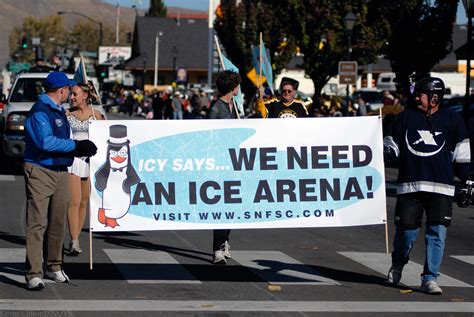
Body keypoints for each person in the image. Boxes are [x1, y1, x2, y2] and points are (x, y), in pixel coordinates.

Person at [383, 77, 471, 295]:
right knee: (406, 234)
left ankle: (430, 278)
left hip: (442, 188)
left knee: (437, 233)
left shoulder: (453, 119)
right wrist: (388, 150)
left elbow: (463, 153)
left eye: (421, 94)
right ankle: (398, 264)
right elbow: (391, 143)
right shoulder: (405, 117)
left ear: (434, 97)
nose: (416, 97)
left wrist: (468, 179)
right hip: (410, 187)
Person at [23, 71, 98, 290]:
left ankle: (53, 266)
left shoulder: (58, 110)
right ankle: (34, 273)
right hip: (40, 169)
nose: (70, 93)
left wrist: (79, 147)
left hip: (61, 169)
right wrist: (75, 147)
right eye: (68, 89)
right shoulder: (40, 111)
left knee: (57, 222)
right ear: (61, 90)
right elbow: (45, 141)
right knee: (37, 223)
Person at [66, 82, 105, 256]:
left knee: (83, 202)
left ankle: (77, 237)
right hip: (72, 160)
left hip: (90, 161)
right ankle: (74, 240)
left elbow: (106, 136)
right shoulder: (67, 114)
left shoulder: (96, 115)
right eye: (71, 94)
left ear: (85, 96)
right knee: (73, 201)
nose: (71, 97)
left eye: (75, 94)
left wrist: (103, 123)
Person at [208, 70, 241, 264]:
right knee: (220, 206)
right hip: (219, 162)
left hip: (233, 161)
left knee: (231, 206)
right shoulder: (216, 108)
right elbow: (209, 135)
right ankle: (217, 249)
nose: (238, 88)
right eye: (237, 85)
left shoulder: (233, 105)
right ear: (232, 87)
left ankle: (225, 241)